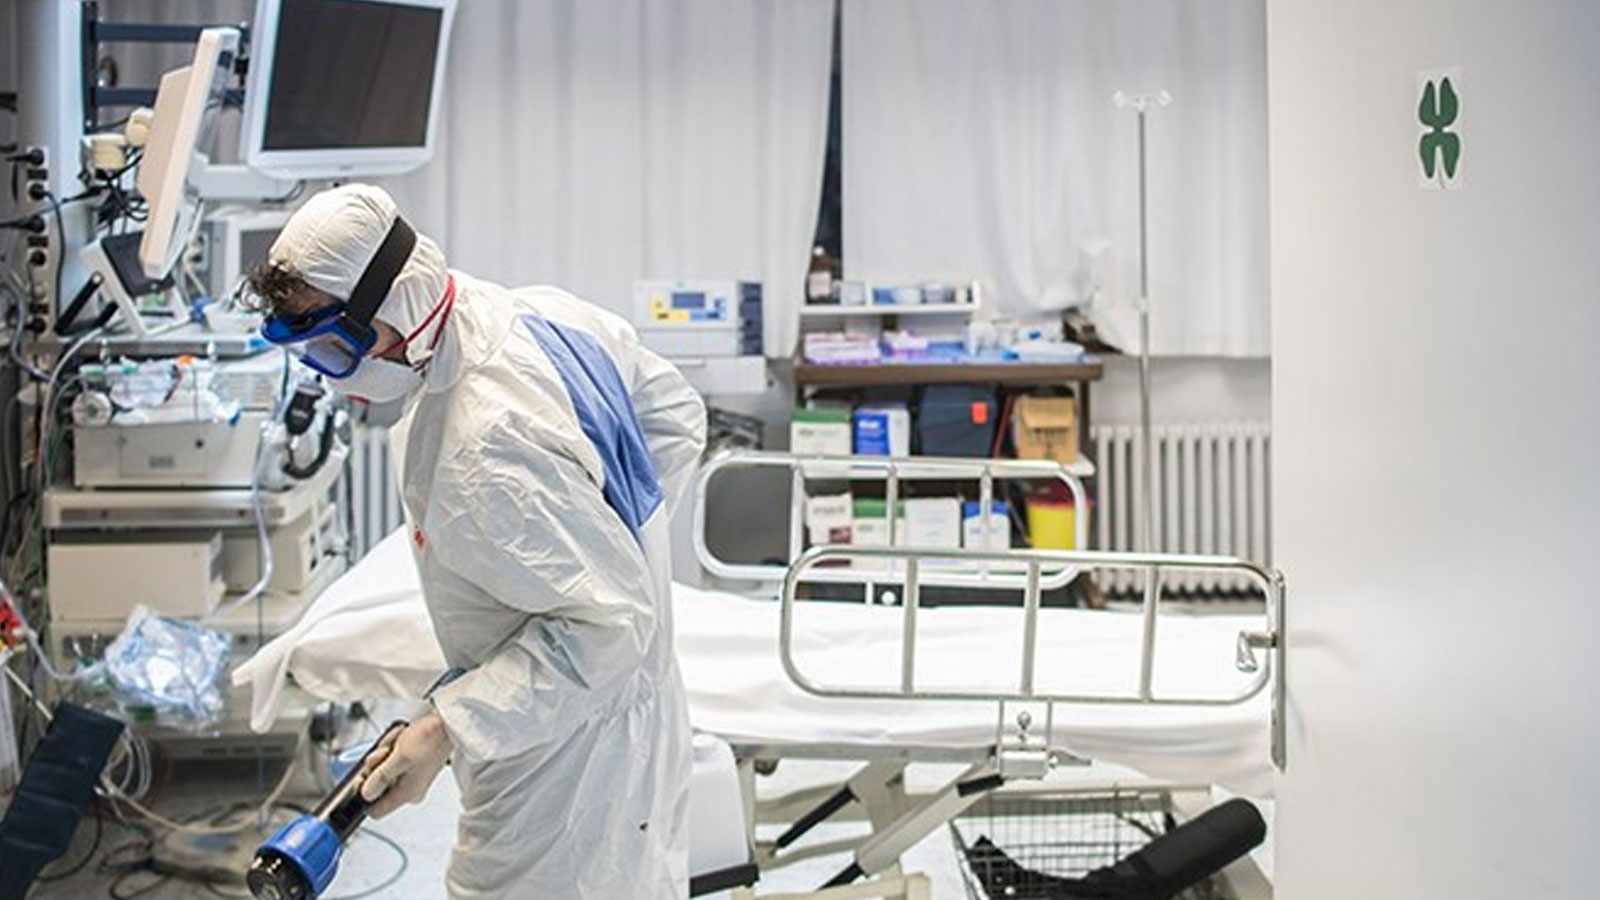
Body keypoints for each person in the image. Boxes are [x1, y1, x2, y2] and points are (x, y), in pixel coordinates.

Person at [249, 184, 705, 899]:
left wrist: (446, 728)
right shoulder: (532, 310)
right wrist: (612, 537)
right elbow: (676, 415)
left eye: (337, 347)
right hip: (633, 707)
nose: (330, 374)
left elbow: (608, 627)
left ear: (397, 305)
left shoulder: (484, 442)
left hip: (563, 761)